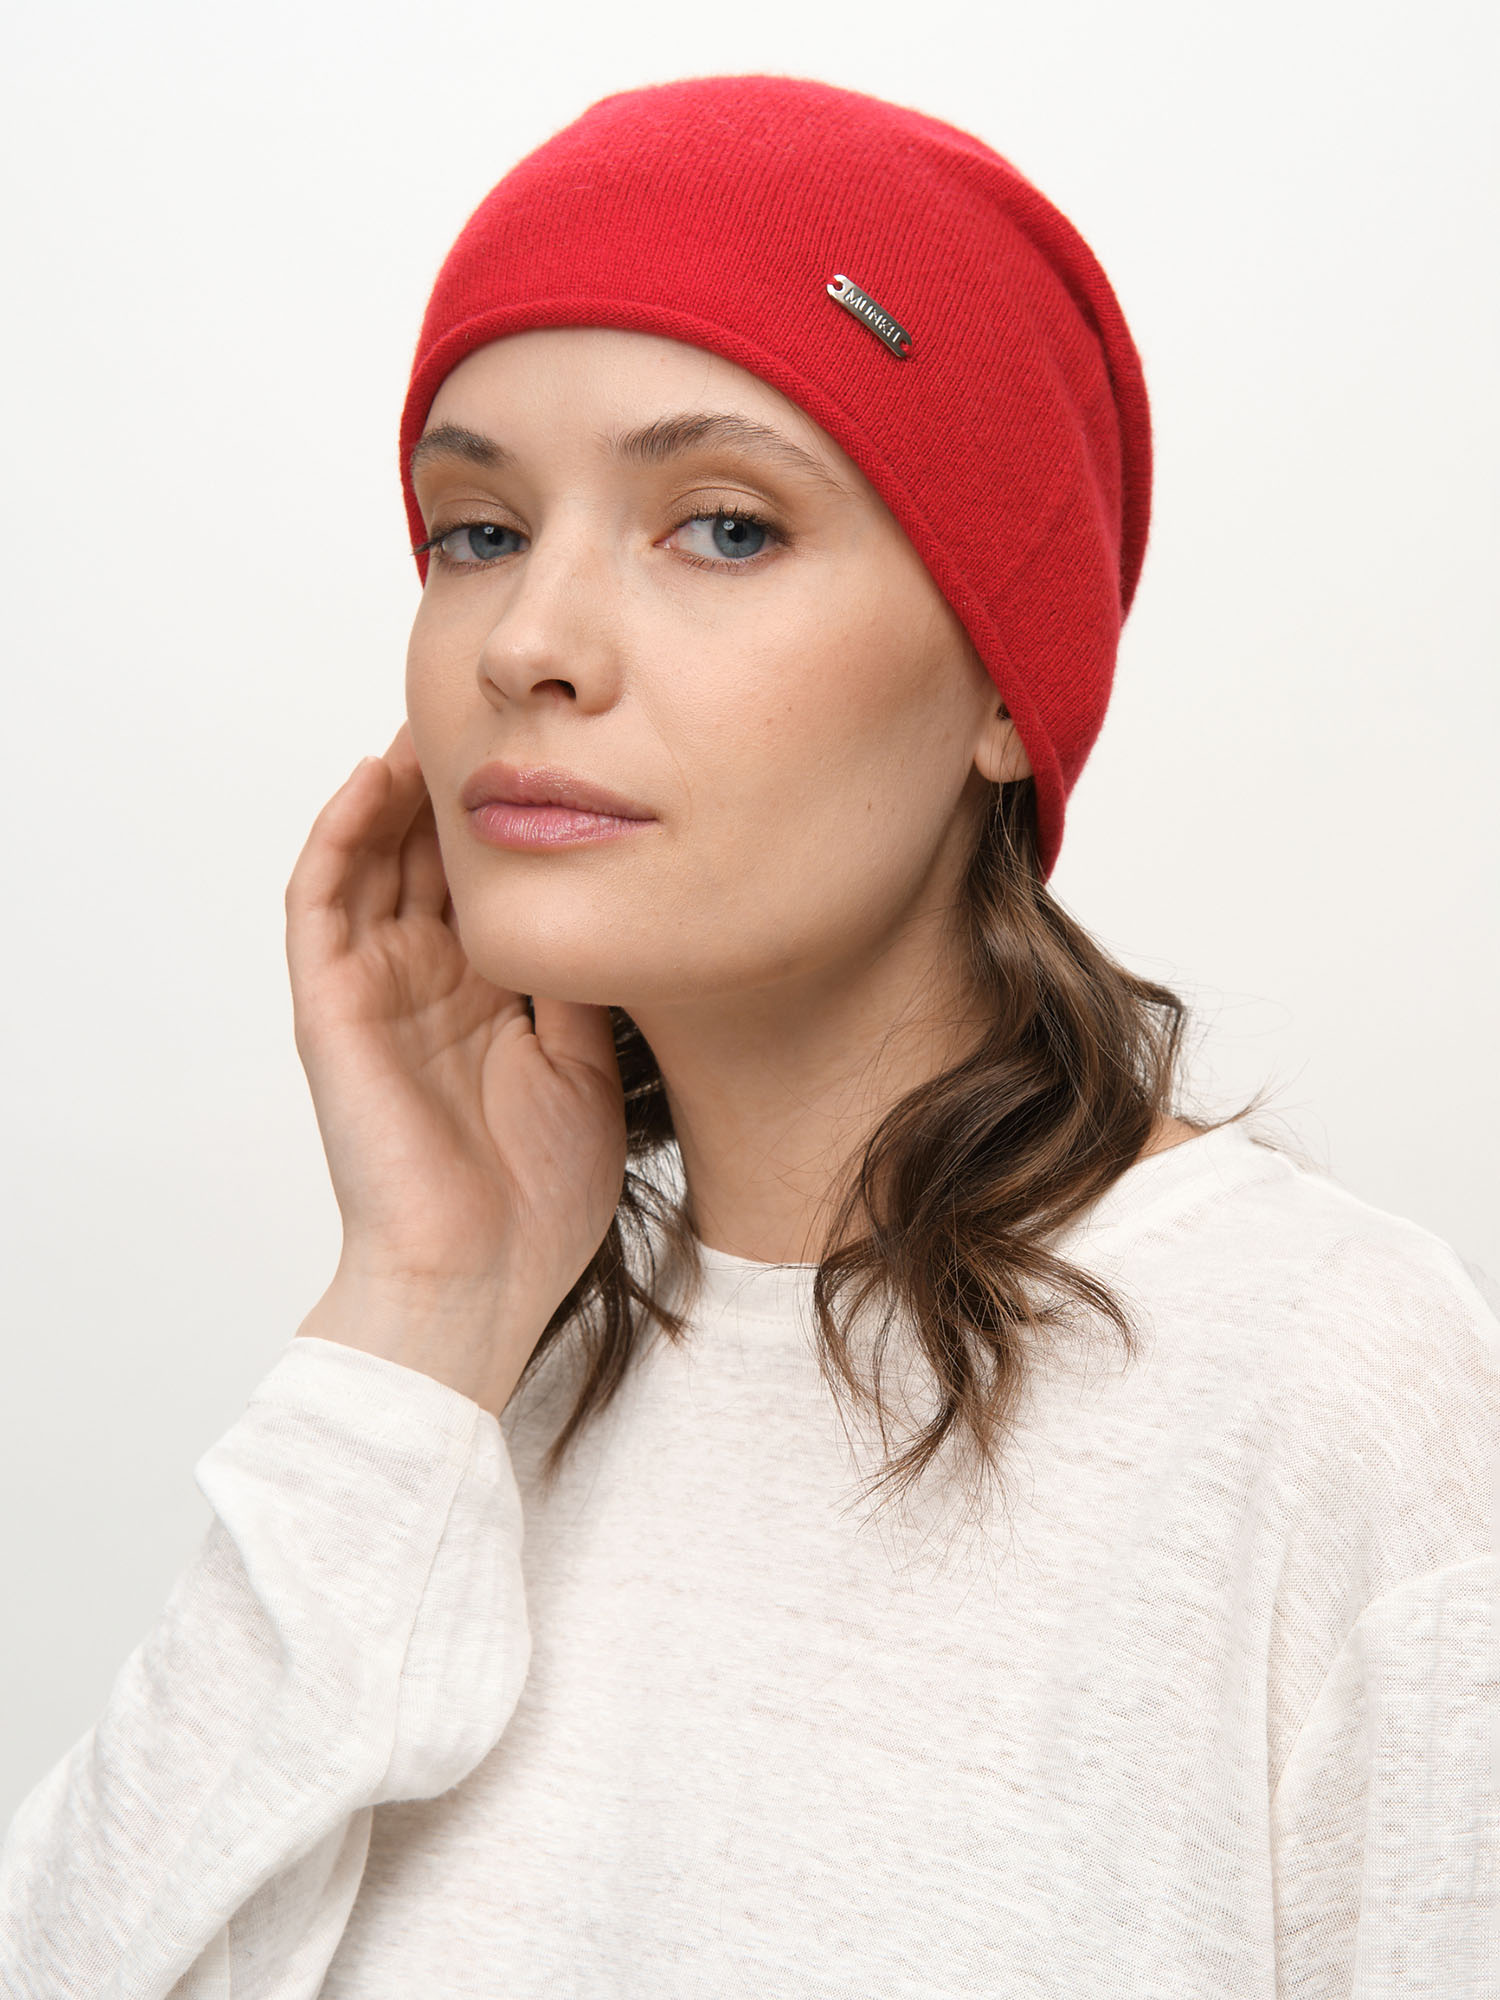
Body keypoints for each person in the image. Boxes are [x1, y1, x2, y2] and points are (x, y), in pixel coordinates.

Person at [2, 72, 1494, 2000]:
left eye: (721, 526)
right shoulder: (459, 1412)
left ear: (1000, 682)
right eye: (476, 530)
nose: (528, 641)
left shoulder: (1335, 1396)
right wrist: (423, 1307)